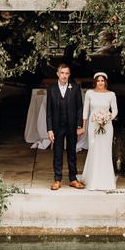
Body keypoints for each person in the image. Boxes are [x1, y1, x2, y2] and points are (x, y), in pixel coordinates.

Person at [46, 62, 84, 190]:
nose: (64, 76)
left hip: (72, 126)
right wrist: (49, 129)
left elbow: (79, 108)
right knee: (57, 153)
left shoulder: (75, 87)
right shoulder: (51, 89)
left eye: (67, 73)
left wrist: (79, 125)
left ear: (69, 74)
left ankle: (73, 179)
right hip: (57, 127)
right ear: (57, 73)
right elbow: (49, 111)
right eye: (62, 73)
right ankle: (57, 179)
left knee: (72, 152)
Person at [81, 72, 118, 191]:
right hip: (93, 125)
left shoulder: (111, 94)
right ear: (95, 82)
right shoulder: (89, 93)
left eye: (102, 80)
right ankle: (93, 179)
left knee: (105, 151)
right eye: (98, 81)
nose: (100, 83)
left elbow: (115, 110)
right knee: (94, 150)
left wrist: (107, 118)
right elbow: (85, 111)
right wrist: (83, 126)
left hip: (107, 126)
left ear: (105, 82)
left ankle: (106, 179)